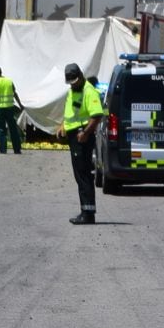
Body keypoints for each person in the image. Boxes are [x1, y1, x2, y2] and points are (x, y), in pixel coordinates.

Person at [57, 63, 104, 225]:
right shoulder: (73, 90)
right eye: (70, 82)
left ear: (81, 76)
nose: (72, 84)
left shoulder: (89, 91)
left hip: (82, 136)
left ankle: (88, 213)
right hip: (74, 136)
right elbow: (71, 112)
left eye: (75, 81)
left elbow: (97, 116)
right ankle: (86, 210)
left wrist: (85, 133)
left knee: (83, 175)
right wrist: (63, 125)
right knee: (80, 174)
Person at [0, 66, 24, 154]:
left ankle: (3, 150)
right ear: (1, 72)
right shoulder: (9, 81)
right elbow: (15, 93)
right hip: (9, 108)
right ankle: (17, 149)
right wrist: (20, 104)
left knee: (1, 129)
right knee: (13, 129)